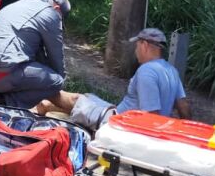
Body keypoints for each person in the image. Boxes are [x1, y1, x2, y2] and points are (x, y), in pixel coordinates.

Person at [36, 28, 191, 131]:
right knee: (89, 97)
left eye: (137, 46)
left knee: (78, 100)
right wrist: (182, 132)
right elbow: (184, 108)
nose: (136, 51)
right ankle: (46, 105)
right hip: (120, 114)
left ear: (144, 45)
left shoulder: (147, 71)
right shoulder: (172, 71)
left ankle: (40, 89)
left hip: (118, 123)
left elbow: (151, 116)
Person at [0, 0, 71, 108]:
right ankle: (5, 103)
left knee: (19, 57)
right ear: (57, 9)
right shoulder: (51, 13)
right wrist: (58, 84)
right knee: (56, 81)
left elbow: (38, 52)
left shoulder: (27, 2)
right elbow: (56, 56)